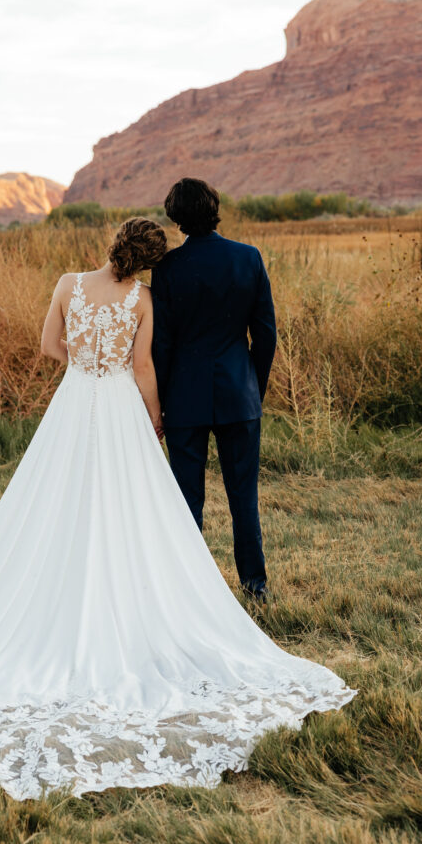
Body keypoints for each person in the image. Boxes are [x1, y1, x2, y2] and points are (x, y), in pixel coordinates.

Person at [0, 216, 355, 800]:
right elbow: (142, 368)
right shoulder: (142, 298)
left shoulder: (67, 283)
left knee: (50, 502)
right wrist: (155, 417)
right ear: (150, 261)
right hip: (118, 409)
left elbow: (47, 345)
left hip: (74, 396)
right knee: (129, 507)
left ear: (112, 246)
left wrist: (81, 367)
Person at [152, 178, 276, 602]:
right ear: (214, 208)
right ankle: (254, 587)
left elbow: (162, 344)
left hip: (183, 398)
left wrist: (163, 400)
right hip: (239, 394)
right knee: (244, 495)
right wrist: (252, 389)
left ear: (176, 217)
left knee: (186, 500)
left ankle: (190, 593)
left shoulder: (166, 269)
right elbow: (266, 335)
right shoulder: (248, 258)